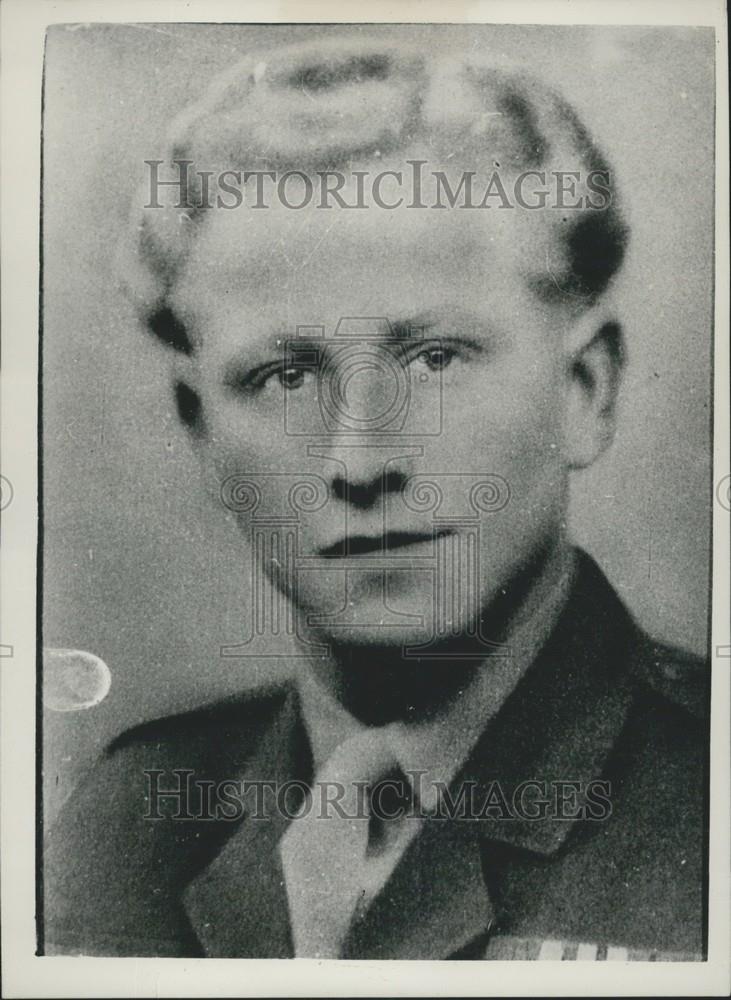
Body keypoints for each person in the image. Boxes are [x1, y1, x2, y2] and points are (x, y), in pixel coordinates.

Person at [43, 36, 708, 961]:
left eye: (434, 360)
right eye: (283, 375)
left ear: (583, 392)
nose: (360, 461)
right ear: (200, 432)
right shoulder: (124, 824)